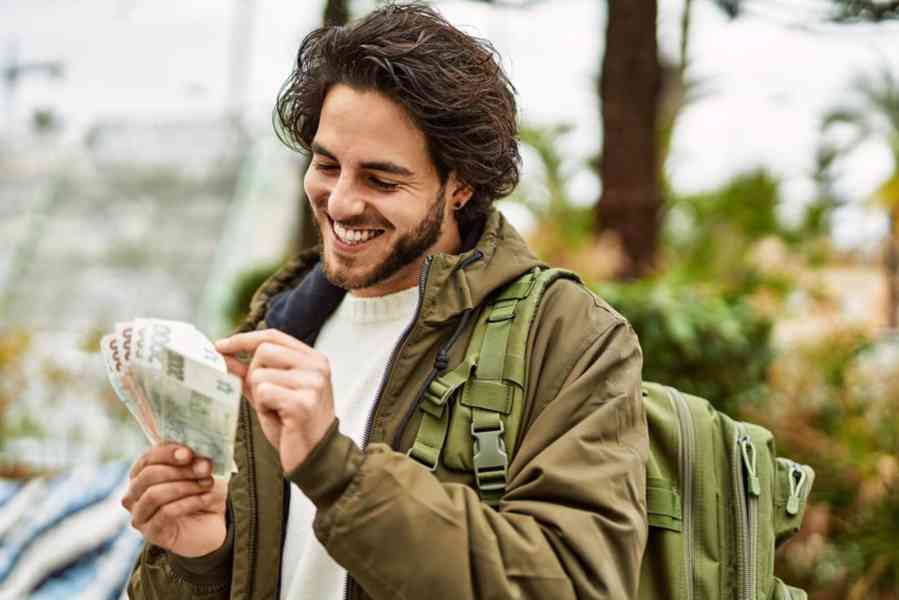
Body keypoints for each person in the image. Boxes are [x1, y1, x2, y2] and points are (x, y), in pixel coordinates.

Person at [122, 3, 649, 599]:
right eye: (326, 165)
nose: (341, 203)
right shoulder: (280, 325)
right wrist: (202, 557)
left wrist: (336, 471)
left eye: (381, 179)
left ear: (462, 184)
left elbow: (578, 585)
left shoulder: (570, 338)